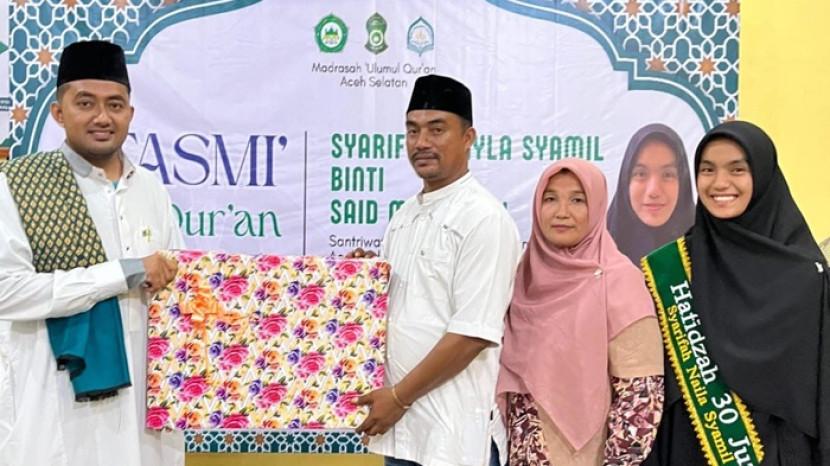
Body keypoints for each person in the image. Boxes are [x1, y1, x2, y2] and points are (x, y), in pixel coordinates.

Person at [0, 40, 183, 466]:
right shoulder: (18, 185)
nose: (102, 117)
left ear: (130, 114)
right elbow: (7, 292)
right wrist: (122, 274)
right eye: (85, 103)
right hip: (55, 411)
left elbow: (179, 291)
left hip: (146, 414)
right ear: (58, 112)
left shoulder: (151, 190)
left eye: (115, 105)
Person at [352, 74, 521, 466]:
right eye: (412, 130)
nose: (421, 142)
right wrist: (363, 282)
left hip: (453, 436)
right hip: (403, 433)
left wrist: (398, 397)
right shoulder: (404, 216)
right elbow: (409, 307)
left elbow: (471, 335)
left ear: (468, 137)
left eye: (437, 129)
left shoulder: (484, 218)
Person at [643, 121, 830, 466]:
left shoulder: (807, 277)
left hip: (781, 452)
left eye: (737, 169)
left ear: (762, 175)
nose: (719, 183)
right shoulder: (671, 270)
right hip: (689, 449)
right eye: (707, 170)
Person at [497, 159, 665, 465]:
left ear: (597, 206)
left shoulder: (619, 280)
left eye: (577, 200)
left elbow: (641, 399)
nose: (562, 212)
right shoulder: (522, 276)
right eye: (550, 199)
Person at [608, 124, 694, 264]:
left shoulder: (708, 251)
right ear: (626, 180)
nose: (653, 191)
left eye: (667, 175)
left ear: (683, 182)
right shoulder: (596, 255)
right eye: (641, 174)